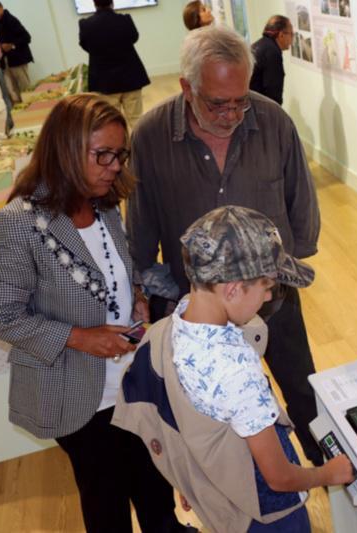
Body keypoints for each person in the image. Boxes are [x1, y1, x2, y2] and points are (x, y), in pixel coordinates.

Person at [0, 94, 194, 533]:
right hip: (76, 392)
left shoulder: (104, 206)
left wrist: (134, 293)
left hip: (130, 381)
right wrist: (81, 337)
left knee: (154, 487)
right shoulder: (19, 222)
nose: (115, 166)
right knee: (106, 500)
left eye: (120, 154)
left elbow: (116, 266)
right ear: (65, 151)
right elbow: (2, 316)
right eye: (103, 155)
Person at [126, 25, 325, 468]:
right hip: (202, 312)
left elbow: (300, 199)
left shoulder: (272, 120)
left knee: (302, 390)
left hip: (271, 297)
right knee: (215, 415)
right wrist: (144, 283)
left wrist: (289, 267)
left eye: (241, 99)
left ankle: (332, 480)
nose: (232, 113)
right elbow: (140, 224)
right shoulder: (151, 135)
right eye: (218, 103)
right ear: (186, 87)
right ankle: (245, 485)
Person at [114, 206, 354, 532]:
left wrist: (190, 477)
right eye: (267, 286)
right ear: (232, 289)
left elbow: (172, 420)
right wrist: (328, 473)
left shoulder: (164, 332)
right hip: (268, 518)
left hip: (220, 496)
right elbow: (279, 478)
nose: (270, 296)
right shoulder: (237, 374)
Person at [79, 0, 151, 129]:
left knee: (113, 121)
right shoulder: (125, 20)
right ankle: (141, 147)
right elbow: (134, 38)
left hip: (105, 82)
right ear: (112, 3)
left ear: (94, 4)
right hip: (131, 77)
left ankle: (120, 148)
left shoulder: (85, 25)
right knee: (136, 119)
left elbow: (85, 46)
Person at [0, 0, 32, 104]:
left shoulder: (11, 20)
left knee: (26, 89)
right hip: (5, 62)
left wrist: (11, 45)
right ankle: (21, 115)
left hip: (18, 59)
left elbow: (27, 37)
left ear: (0, 7)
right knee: (12, 92)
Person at [249, 15, 293, 105]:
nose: (292, 39)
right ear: (281, 35)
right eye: (291, 34)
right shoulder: (272, 53)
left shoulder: (259, 45)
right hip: (260, 109)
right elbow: (273, 92)